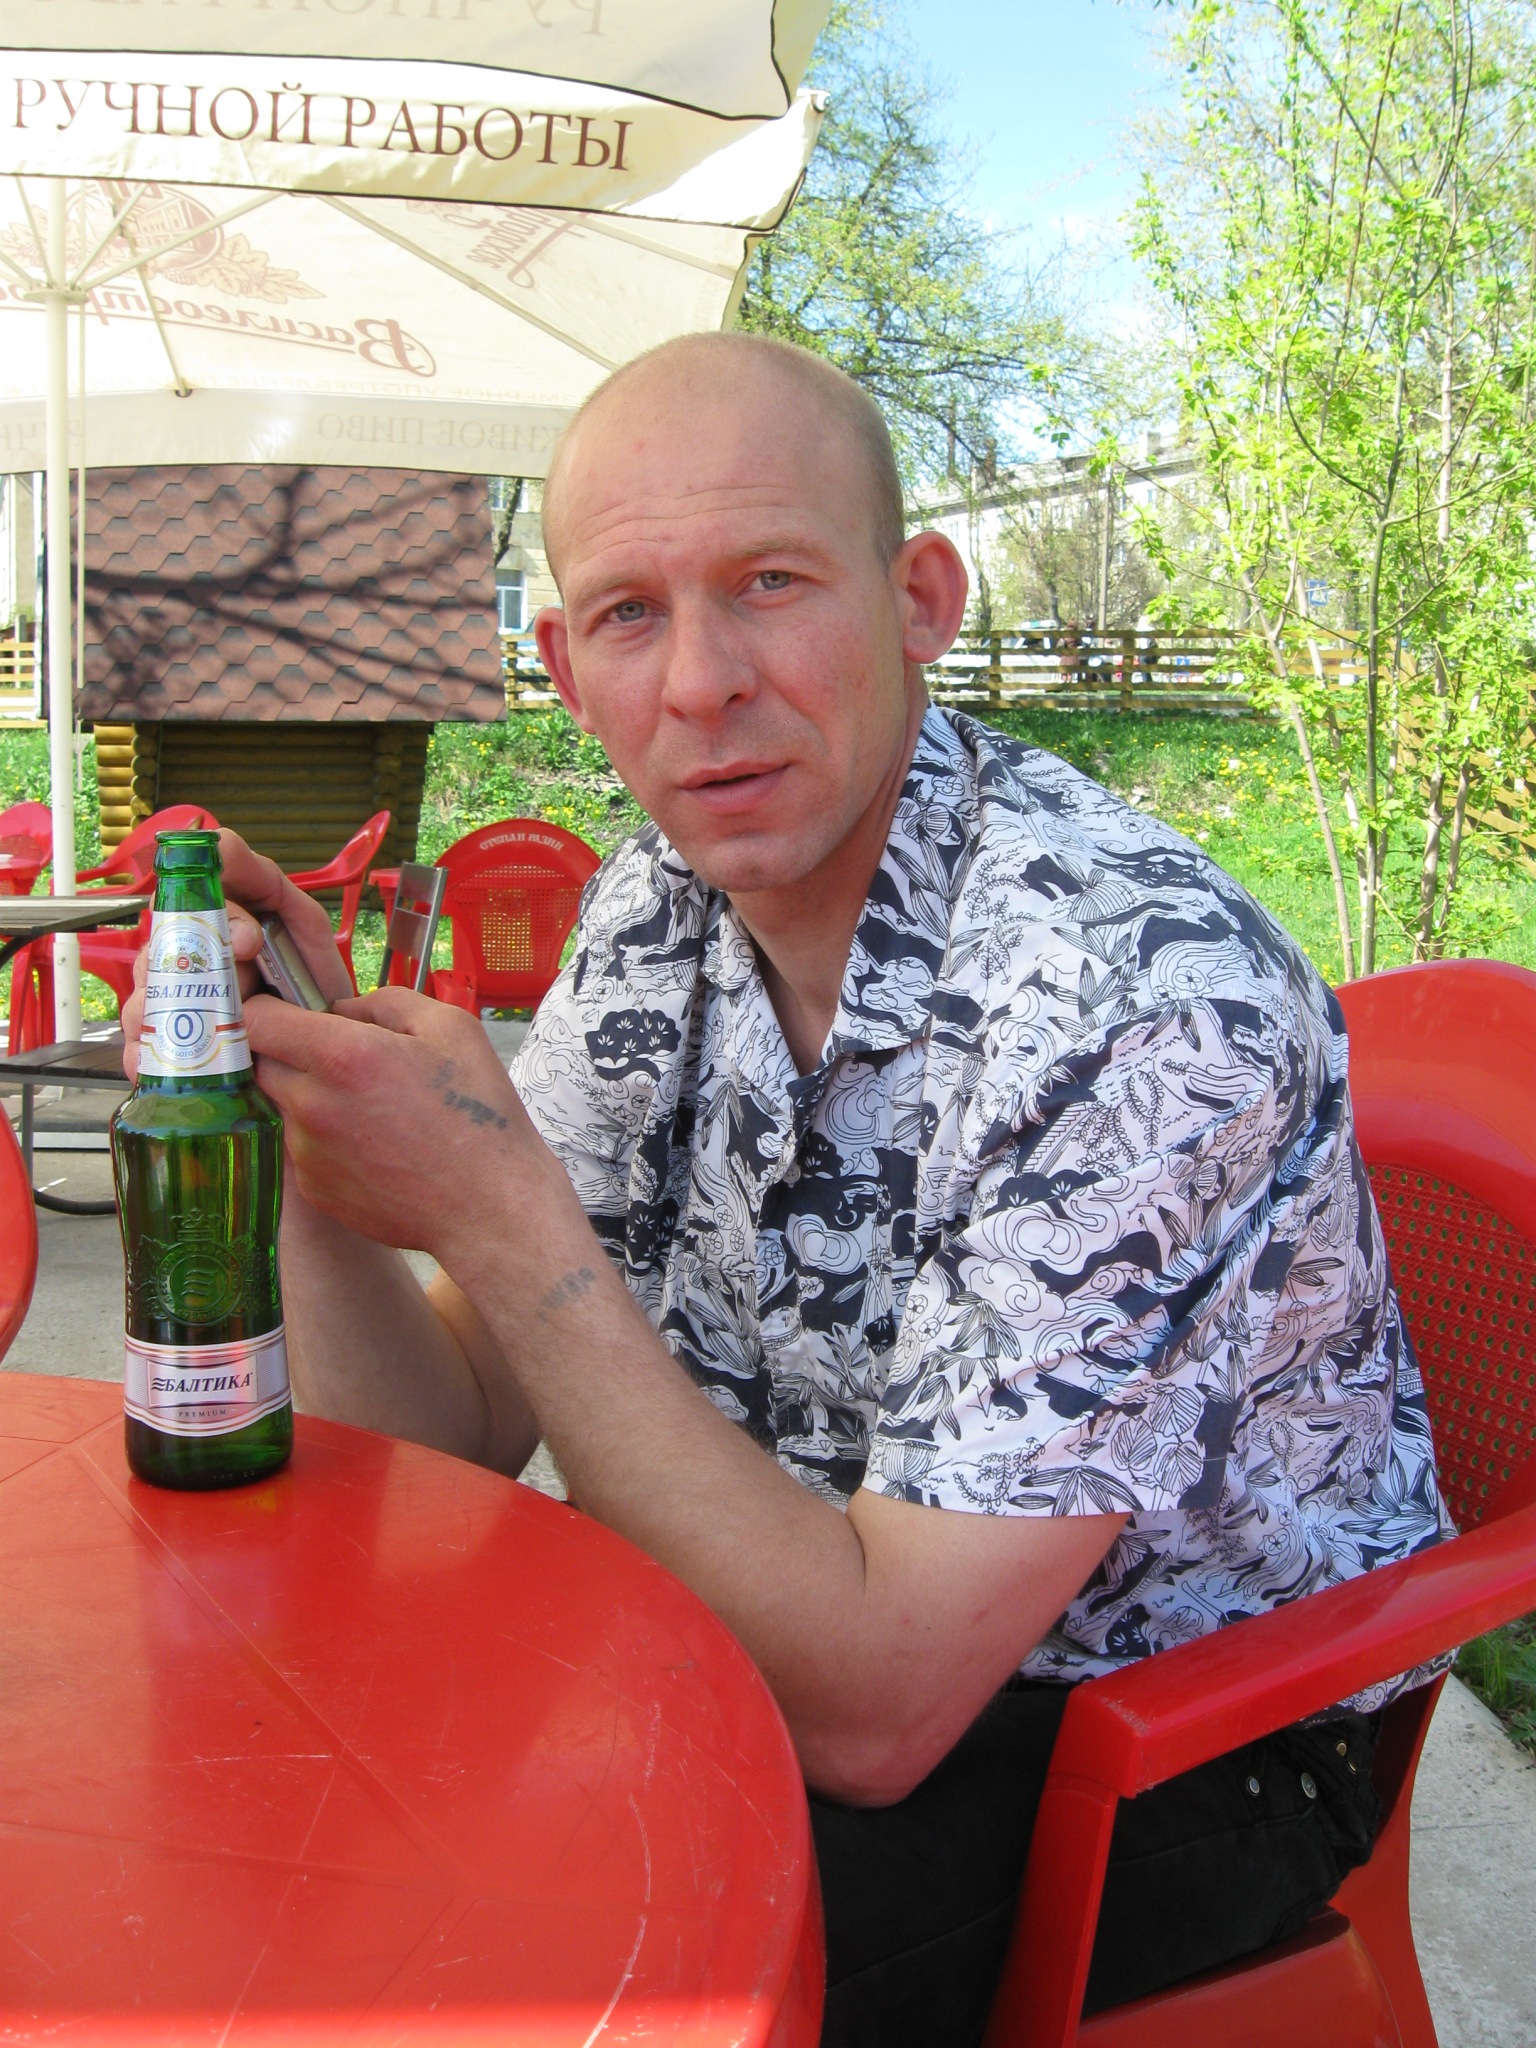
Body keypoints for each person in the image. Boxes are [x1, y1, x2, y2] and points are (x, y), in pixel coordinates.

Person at [123, 333, 1450, 2048]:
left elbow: (877, 1716)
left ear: (918, 601)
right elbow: (443, 1428)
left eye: (770, 582)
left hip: (1158, 1731)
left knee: (519, 1977)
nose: (701, 683)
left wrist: (502, 1215)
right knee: (297, 1819)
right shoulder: (655, 908)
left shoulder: (1140, 999)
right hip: (782, 1620)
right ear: (563, 667)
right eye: (629, 614)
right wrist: (294, 1117)